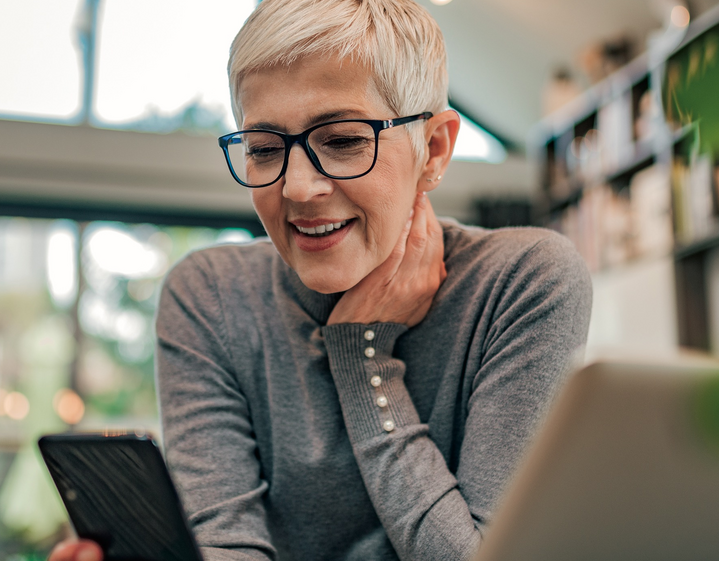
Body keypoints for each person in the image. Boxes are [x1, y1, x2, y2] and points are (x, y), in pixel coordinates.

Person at [51, 0, 591, 559]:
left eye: (342, 141)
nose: (298, 189)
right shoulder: (210, 298)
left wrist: (363, 359)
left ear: (433, 149)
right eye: (264, 149)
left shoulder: (524, 282)